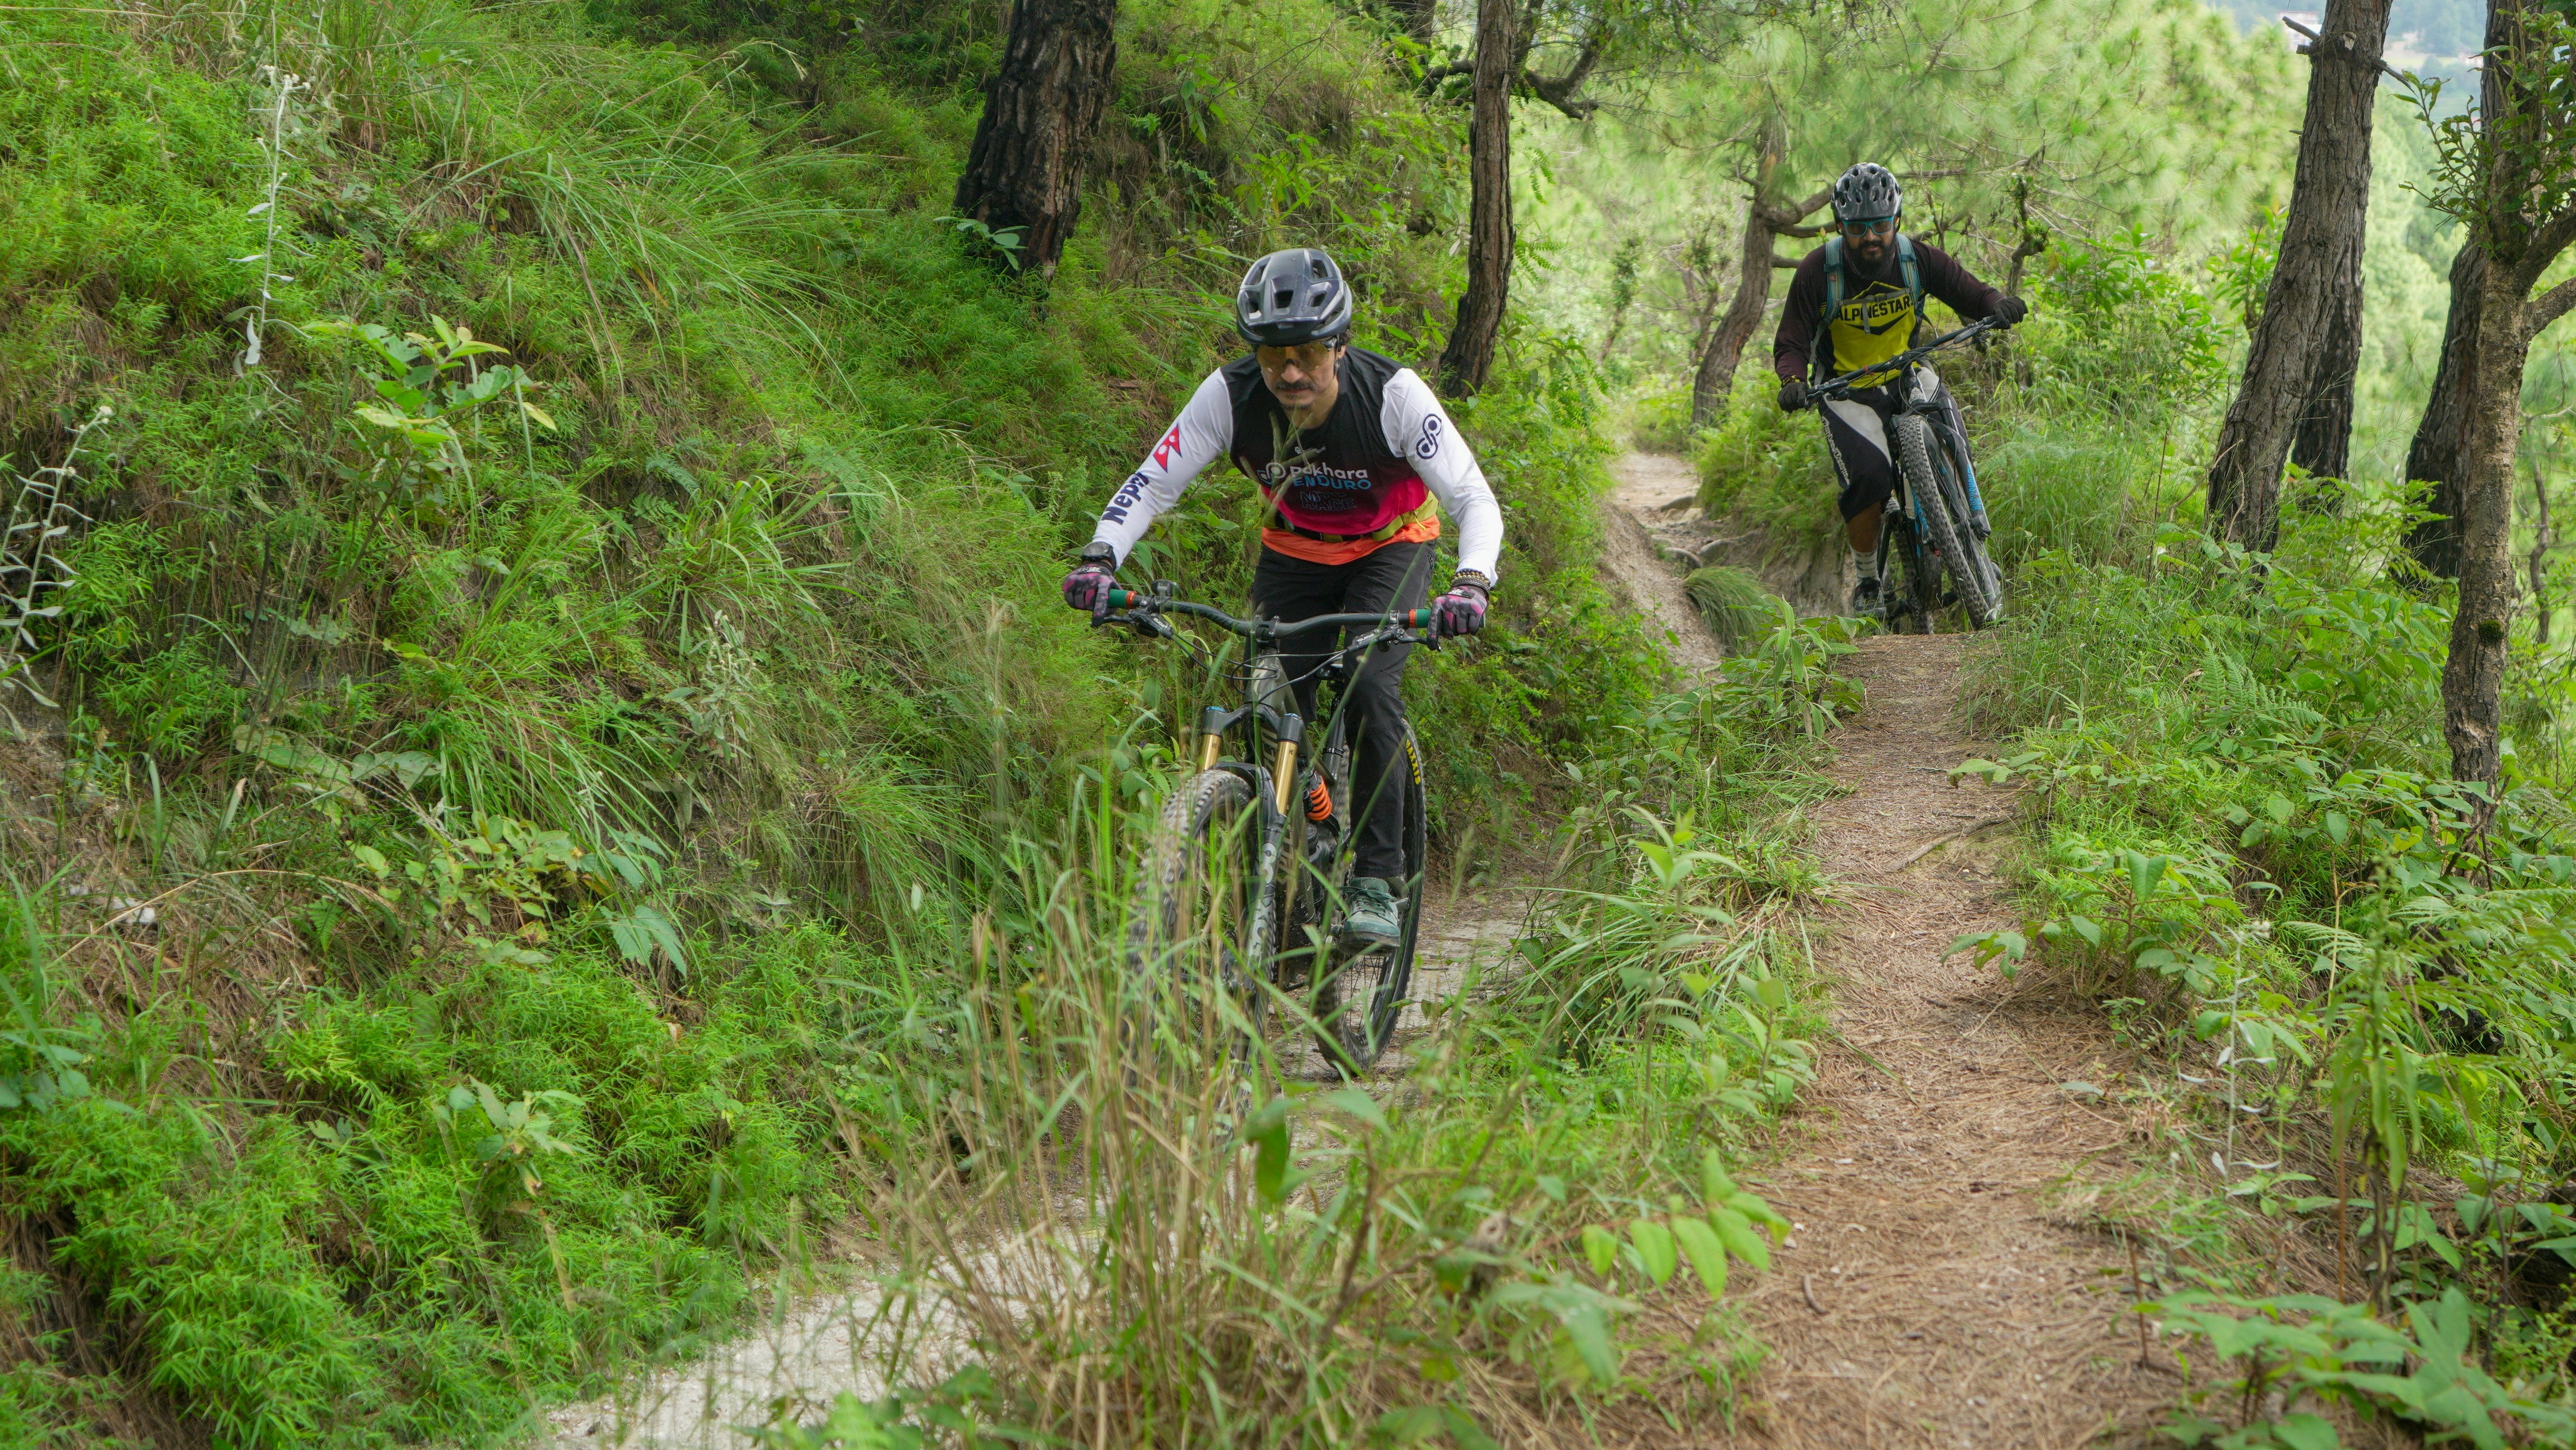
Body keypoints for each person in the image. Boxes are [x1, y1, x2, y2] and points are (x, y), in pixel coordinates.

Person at [1061, 247, 1504, 948]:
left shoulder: (1393, 396)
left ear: (1339, 345)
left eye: (1306, 352)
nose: (1290, 372)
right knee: (1270, 698)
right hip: (1295, 551)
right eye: (1273, 357)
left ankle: (1377, 881)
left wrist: (1472, 581)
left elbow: (1473, 498)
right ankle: (1292, 855)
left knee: (1367, 686)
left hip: (1389, 548)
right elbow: (1152, 483)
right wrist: (1099, 558)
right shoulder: (1229, 396)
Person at [1773, 163, 2028, 616]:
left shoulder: (1917, 258)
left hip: (1907, 371)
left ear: (1897, 221)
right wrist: (1792, 381)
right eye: (1856, 227)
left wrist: (1997, 304)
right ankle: (1870, 580)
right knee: (1869, 475)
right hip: (1845, 388)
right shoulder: (1819, 271)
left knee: (1948, 423)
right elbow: (1792, 339)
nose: (1870, 237)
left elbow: (1968, 291)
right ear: (1839, 226)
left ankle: (1973, 537)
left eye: (1879, 225)